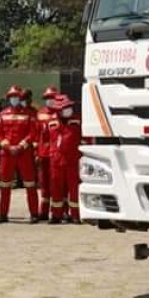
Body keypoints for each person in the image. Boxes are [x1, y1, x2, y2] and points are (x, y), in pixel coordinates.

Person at [0, 84, 40, 223]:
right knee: (4, 185)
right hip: (7, 154)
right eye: (12, 97)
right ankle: (3, 214)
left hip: (24, 153)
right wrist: (8, 146)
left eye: (17, 97)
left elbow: (33, 133)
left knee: (30, 185)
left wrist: (20, 146)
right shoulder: (2, 114)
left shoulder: (29, 114)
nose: (14, 99)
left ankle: (34, 214)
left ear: (21, 98)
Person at [48, 94, 82, 224]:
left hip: (72, 160)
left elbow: (86, 139)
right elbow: (45, 139)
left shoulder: (78, 120)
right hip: (56, 161)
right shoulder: (51, 121)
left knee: (74, 189)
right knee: (56, 189)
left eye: (69, 107)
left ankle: (75, 215)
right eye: (65, 108)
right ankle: (56, 215)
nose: (69, 109)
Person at [35, 86, 59, 223]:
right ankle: (43, 211)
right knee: (44, 183)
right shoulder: (40, 114)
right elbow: (37, 135)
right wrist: (36, 153)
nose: (50, 101)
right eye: (48, 98)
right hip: (43, 153)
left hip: (56, 153)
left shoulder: (61, 114)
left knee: (57, 184)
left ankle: (58, 212)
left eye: (52, 98)